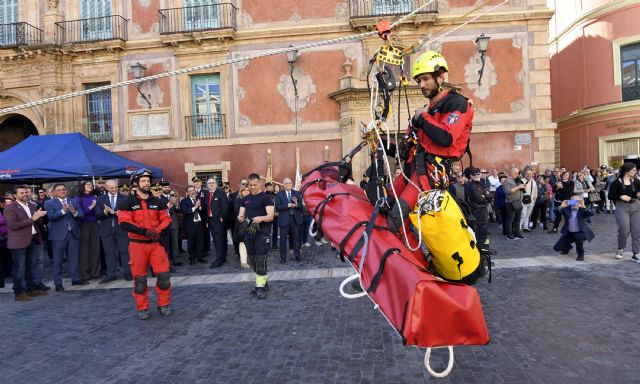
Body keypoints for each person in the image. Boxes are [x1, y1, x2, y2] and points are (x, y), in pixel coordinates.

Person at [387, 51, 474, 232]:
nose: (422, 85)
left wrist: (422, 118)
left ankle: (399, 257)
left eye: (426, 79)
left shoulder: (456, 103)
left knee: (396, 217)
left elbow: (446, 138)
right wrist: (379, 142)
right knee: (384, 203)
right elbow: (404, 150)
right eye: (419, 80)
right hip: (413, 171)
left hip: (431, 174)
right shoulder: (426, 111)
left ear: (440, 77)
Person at [118, 169, 173, 320]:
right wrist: (144, 231)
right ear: (135, 183)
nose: (147, 183)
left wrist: (157, 231)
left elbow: (167, 219)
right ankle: (142, 307)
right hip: (137, 246)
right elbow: (124, 222)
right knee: (140, 280)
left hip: (156, 244)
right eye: (143, 181)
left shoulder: (158, 201)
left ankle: (164, 304)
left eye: (148, 181)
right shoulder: (126, 202)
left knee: (164, 276)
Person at [4, 185, 48, 301]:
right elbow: (12, 225)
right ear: (15, 195)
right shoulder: (10, 207)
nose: (25, 194)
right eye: (21, 193)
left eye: (25, 192)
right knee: (19, 268)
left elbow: (36, 221)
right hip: (18, 241)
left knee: (30, 266)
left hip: (33, 239)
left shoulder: (31, 205)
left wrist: (39, 217)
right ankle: (19, 292)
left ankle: (31, 288)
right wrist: (33, 219)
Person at [238, 173, 275, 299]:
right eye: (250, 185)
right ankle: (263, 282)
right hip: (249, 233)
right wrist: (241, 218)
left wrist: (261, 218)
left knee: (261, 260)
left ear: (259, 183)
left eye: (255, 185)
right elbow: (241, 214)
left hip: (262, 233)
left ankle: (259, 286)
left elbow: (270, 216)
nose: (253, 187)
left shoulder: (266, 198)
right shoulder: (245, 199)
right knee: (252, 261)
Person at [45, 183, 86, 291]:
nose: (62, 191)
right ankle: (58, 283)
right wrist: (63, 211)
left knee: (73, 258)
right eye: (59, 190)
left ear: (67, 191)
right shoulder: (49, 203)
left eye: (63, 189)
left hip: (73, 234)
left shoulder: (74, 201)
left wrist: (74, 212)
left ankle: (76, 279)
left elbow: (82, 215)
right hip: (58, 236)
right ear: (54, 192)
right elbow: (51, 217)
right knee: (57, 260)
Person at [95, 180, 131, 283]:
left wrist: (115, 212)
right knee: (109, 252)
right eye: (111, 188)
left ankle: (128, 273)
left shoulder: (125, 198)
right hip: (106, 230)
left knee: (124, 252)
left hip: (122, 229)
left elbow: (129, 213)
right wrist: (105, 212)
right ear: (106, 188)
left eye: (115, 187)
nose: (114, 189)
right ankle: (111, 274)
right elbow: (97, 214)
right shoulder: (100, 199)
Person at [608, 162, 640, 262]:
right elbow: (610, 196)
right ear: (627, 171)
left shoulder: (636, 181)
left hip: (636, 207)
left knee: (637, 231)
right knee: (624, 229)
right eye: (634, 170)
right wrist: (621, 196)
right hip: (622, 207)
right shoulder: (616, 182)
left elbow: (637, 193)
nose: (636, 172)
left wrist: (638, 195)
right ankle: (620, 249)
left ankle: (636, 253)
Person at [553, 195, 594, 261]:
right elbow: (555, 211)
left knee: (578, 237)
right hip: (569, 232)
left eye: (577, 201)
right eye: (573, 201)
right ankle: (567, 248)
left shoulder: (582, 209)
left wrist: (584, 207)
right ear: (570, 201)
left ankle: (581, 254)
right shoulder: (567, 208)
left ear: (580, 201)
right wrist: (561, 206)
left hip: (580, 232)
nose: (575, 203)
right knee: (557, 247)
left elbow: (591, 213)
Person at [274, 177, 303, 263]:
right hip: (284, 220)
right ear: (283, 185)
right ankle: (283, 258)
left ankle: (298, 256)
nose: (288, 185)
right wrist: (288, 205)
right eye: (286, 183)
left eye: (290, 183)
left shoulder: (297, 193)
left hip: (295, 219)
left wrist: (296, 205)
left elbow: (301, 206)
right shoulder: (279, 194)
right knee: (283, 240)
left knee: (296, 239)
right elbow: (277, 207)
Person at [76, 181, 101, 281]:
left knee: (95, 249)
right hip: (83, 224)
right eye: (87, 185)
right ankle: (85, 273)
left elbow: (98, 210)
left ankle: (95, 272)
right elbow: (80, 213)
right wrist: (92, 206)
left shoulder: (94, 197)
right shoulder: (78, 198)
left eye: (91, 185)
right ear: (83, 187)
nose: (90, 186)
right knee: (84, 250)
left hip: (95, 224)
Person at [204, 178, 229, 269]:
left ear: (216, 184)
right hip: (210, 220)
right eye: (209, 183)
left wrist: (222, 217)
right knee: (216, 240)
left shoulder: (220, 193)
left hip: (218, 220)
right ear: (207, 185)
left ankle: (219, 260)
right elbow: (205, 208)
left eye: (213, 183)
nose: (211, 184)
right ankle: (222, 257)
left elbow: (225, 206)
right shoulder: (206, 194)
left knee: (218, 241)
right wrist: (206, 221)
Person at [464, 168, 490, 250]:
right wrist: (485, 197)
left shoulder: (481, 183)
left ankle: (485, 250)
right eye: (474, 174)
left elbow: (489, 195)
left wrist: (485, 196)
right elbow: (479, 198)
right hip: (478, 210)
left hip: (483, 209)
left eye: (478, 174)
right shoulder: (470, 185)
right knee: (480, 232)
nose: (476, 176)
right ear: (470, 176)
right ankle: (480, 251)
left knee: (484, 232)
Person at [181, 185, 206, 265]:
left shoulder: (199, 199)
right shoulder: (184, 201)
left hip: (199, 224)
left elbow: (203, 210)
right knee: (191, 242)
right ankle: (192, 259)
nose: (192, 192)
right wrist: (195, 207)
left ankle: (200, 257)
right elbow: (185, 211)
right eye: (190, 190)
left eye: (193, 190)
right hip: (190, 225)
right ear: (187, 192)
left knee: (200, 241)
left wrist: (200, 206)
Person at [161, 182, 184, 267]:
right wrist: (168, 205)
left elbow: (179, 210)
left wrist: (177, 205)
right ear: (162, 188)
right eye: (165, 187)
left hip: (174, 223)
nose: (167, 188)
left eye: (168, 187)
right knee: (165, 244)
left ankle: (176, 259)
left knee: (175, 243)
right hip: (164, 224)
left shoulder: (174, 197)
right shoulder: (159, 198)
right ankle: (167, 261)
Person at [502, 167, 526, 240]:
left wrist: (523, 188)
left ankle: (517, 233)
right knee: (510, 219)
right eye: (515, 173)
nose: (517, 174)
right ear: (511, 173)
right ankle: (509, 234)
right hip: (510, 203)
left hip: (518, 202)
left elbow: (520, 190)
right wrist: (519, 187)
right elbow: (507, 192)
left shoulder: (517, 180)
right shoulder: (506, 181)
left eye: (518, 173)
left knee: (517, 219)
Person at [234, 186, 251, 269]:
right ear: (241, 192)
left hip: (252, 223)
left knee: (251, 242)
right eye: (244, 190)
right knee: (242, 242)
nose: (246, 191)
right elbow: (238, 211)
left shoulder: (253, 199)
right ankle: (243, 262)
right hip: (241, 224)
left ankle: (251, 259)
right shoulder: (238, 200)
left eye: (248, 190)